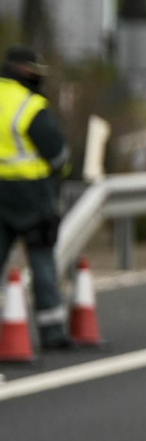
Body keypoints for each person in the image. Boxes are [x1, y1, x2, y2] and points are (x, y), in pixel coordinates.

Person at [0, 46, 71, 349]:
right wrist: (63, 172)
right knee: (41, 261)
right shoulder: (28, 105)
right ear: (28, 72)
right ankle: (52, 330)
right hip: (32, 196)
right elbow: (57, 154)